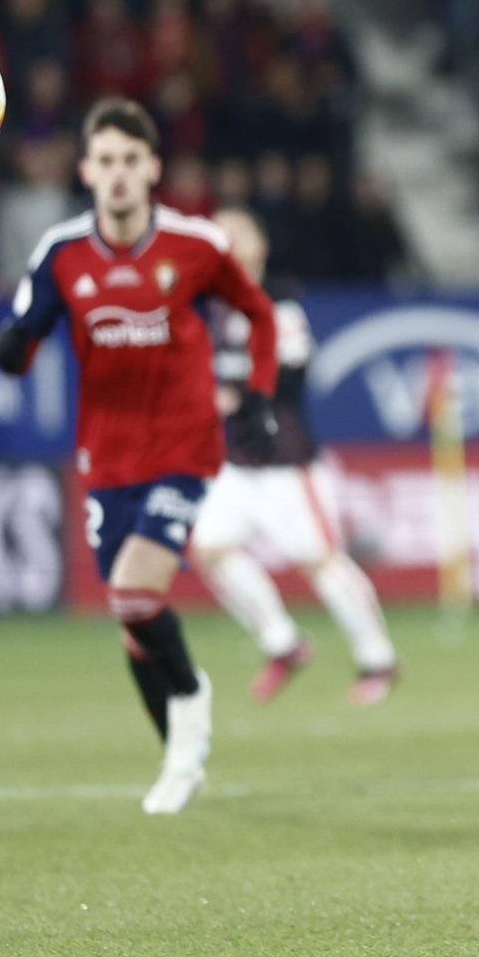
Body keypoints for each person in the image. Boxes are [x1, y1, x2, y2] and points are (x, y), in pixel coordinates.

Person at [0, 99, 280, 815]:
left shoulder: (196, 244)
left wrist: (260, 395)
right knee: (133, 624)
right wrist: (11, 347)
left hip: (185, 444)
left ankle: (190, 708)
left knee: (133, 594)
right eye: (105, 162)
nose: (117, 175)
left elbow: (260, 312)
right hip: (108, 455)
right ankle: (179, 748)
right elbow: (21, 342)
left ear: (153, 168)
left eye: (130, 161)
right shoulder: (62, 254)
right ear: (86, 171)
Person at [190, 208, 400, 705]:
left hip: (286, 461)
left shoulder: (279, 301)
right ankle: (282, 643)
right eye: (217, 234)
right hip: (237, 464)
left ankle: (379, 659)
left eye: (235, 232)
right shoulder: (211, 303)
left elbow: (292, 375)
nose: (226, 241)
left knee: (321, 562)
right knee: (208, 548)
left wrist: (235, 397)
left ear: (259, 244)